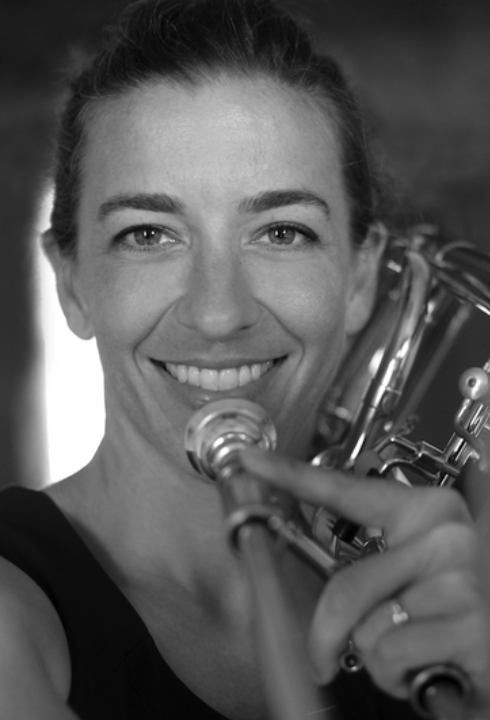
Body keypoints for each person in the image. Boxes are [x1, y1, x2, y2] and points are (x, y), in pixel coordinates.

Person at [0, 0, 489, 718]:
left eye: (283, 232)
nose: (218, 314)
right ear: (72, 284)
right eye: (148, 235)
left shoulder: (444, 611)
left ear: (360, 280)